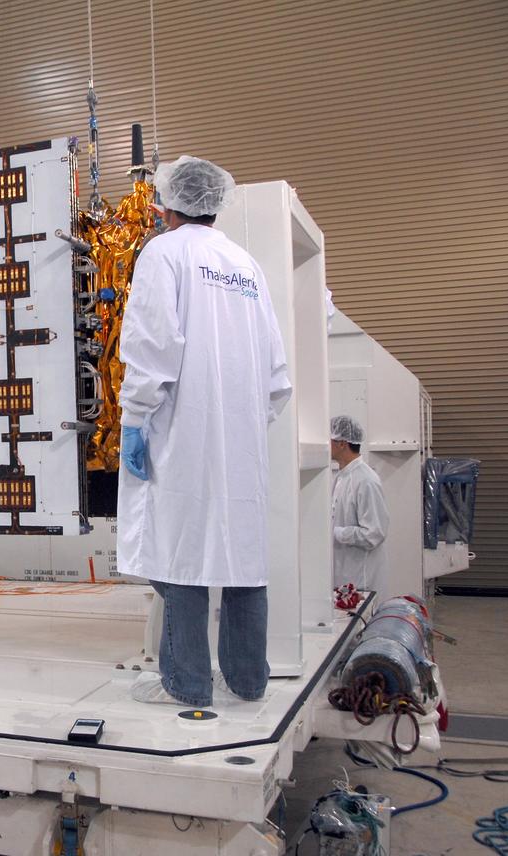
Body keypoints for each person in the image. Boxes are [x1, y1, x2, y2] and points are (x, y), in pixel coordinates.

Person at [118, 156, 292, 709]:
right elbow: (275, 372)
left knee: (181, 554)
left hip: (179, 427)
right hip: (241, 438)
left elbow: (153, 347)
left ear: (166, 203)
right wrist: (240, 424)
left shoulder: (163, 254)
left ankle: (188, 685)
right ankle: (248, 681)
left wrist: (135, 420)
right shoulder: (245, 264)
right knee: (242, 556)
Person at [329, 415, 390, 596]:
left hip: (362, 576)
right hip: (345, 574)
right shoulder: (341, 477)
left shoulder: (366, 481)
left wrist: (336, 532)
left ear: (342, 443)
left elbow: (374, 533)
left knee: (362, 621)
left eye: (329, 440)